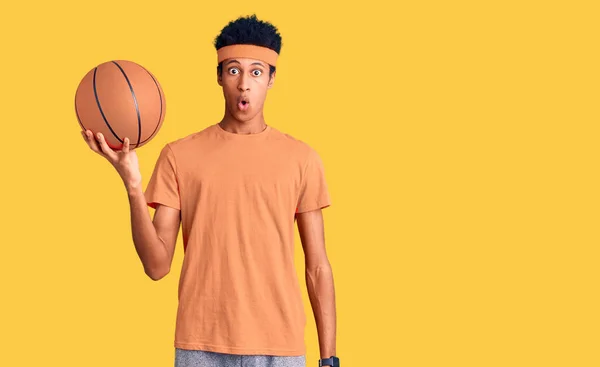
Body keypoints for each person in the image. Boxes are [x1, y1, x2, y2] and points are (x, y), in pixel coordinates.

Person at [81, 14, 340, 367]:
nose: (244, 84)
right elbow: (156, 266)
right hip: (199, 346)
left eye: (256, 72)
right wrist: (132, 184)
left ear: (272, 78)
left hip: (280, 346)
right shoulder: (179, 155)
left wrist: (330, 358)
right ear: (219, 76)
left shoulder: (302, 159)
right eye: (233, 70)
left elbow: (318, 267)